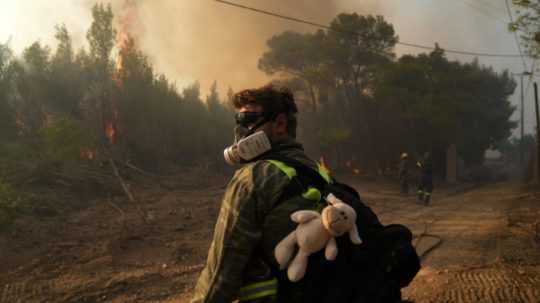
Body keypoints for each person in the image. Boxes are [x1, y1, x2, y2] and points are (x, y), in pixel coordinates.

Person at [191, 85, 418, 303]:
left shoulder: (253, 178)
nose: (239, 131)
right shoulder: (317, 172)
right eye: (237, 121)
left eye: (247, 120)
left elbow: (221, 275)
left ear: (280, 124)